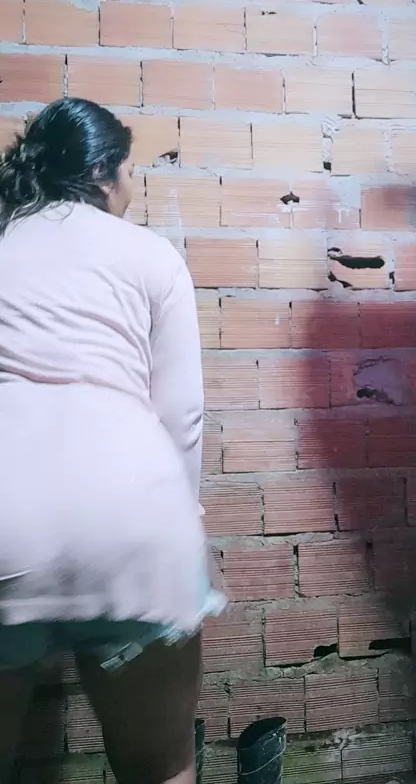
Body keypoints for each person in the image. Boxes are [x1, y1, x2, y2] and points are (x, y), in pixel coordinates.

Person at [0, 98, 225, 784]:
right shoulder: (150, 255)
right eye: (130, 171)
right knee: (160, 768)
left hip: (6, 519)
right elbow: (182, 414)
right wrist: (185, 522)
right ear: (105, 172)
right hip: (133, 522)